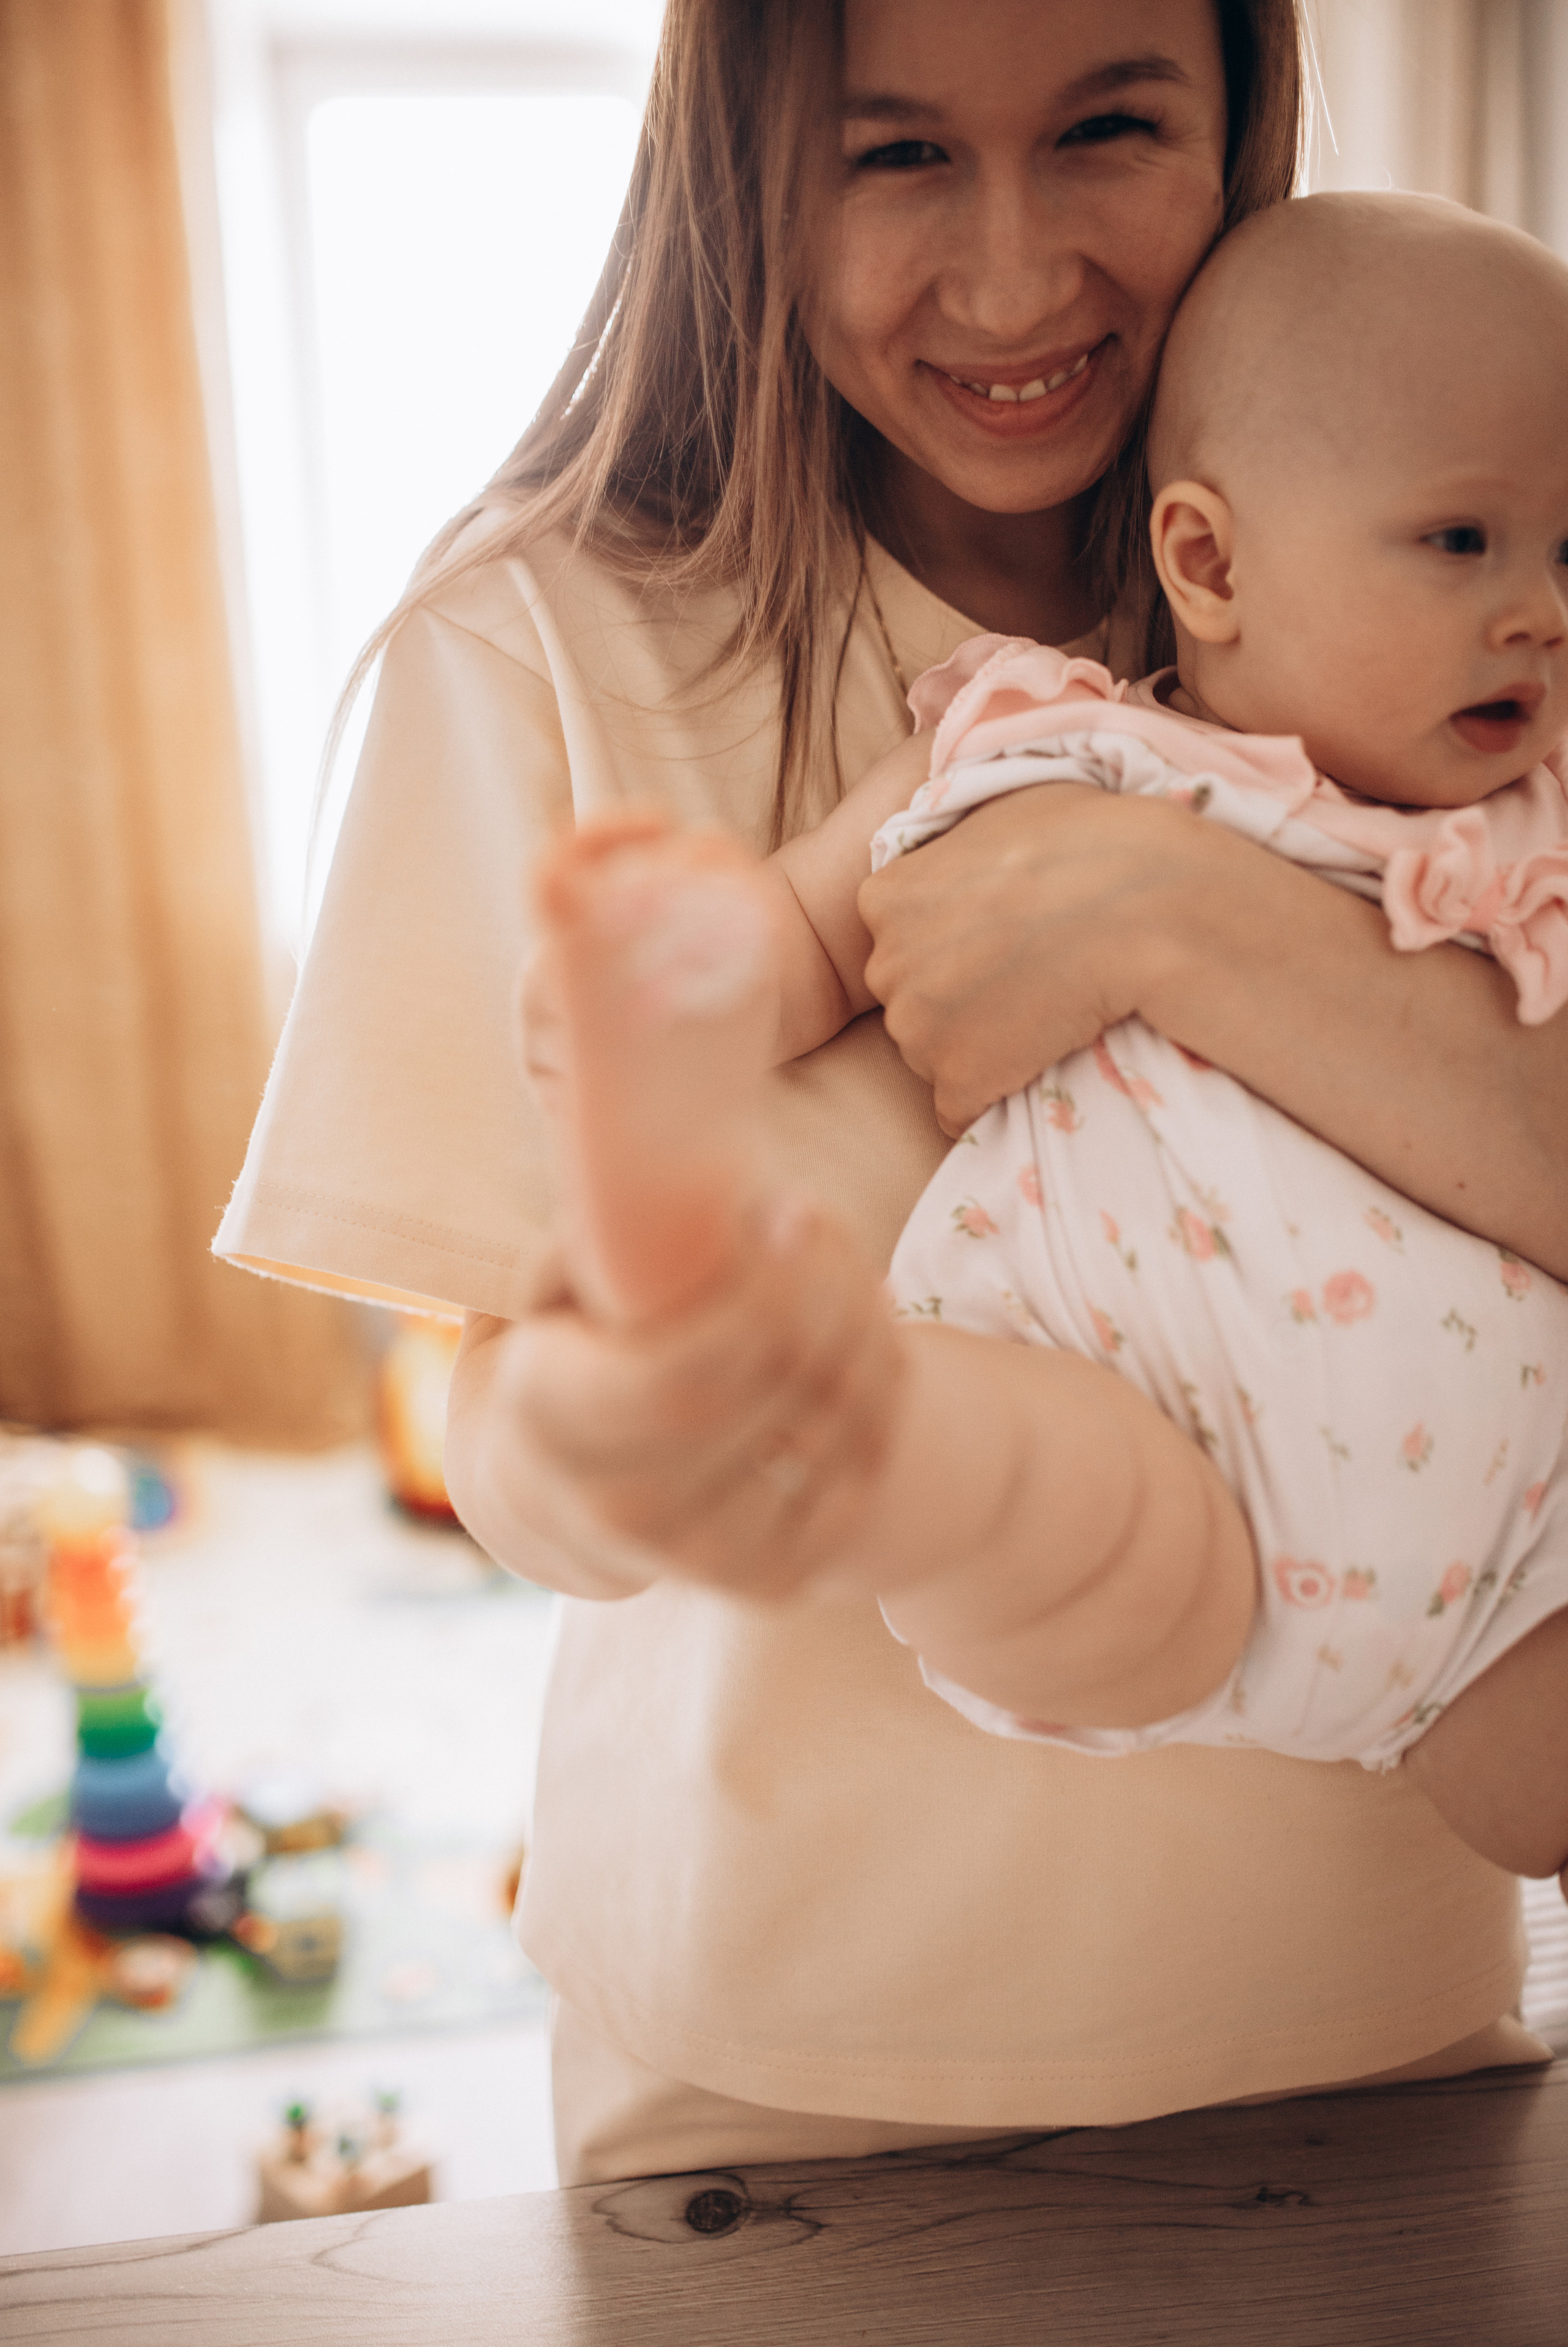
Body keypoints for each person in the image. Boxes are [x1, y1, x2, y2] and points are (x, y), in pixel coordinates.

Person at [214, 1, 1568, 2186]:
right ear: (742, 164)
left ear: (1246, 106)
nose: (1016, 275)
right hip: (792, 2095)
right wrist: (629, 1430)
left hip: (1381, 2034)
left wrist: (1167, 915)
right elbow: (509, 1451)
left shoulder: (1479, 593)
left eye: (1111, 125)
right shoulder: (532, 652)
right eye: (895, 154)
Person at [527, 194, 1568, 1905]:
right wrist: (671, 986)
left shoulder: (1540, 828)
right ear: (1208, 562)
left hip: (1512, 1589)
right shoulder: (1053, 736)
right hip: (1155, 1484)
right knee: (1024, 1507)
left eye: (1567, 553)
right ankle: (839, 1426)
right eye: (1462, 542)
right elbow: (812, 929)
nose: (1535, 612)